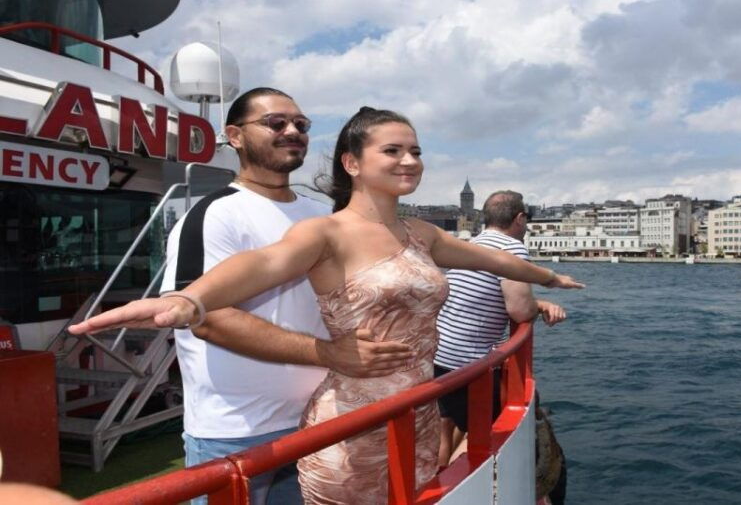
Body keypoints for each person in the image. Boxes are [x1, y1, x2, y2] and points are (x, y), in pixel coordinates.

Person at [69, 107, 584, 505]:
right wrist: (190, 298)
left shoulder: (421, 233)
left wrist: (547, 277)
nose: (410, 161)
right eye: (394, 151)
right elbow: (264, 265)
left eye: (416, 150)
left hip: (418, 413)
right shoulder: (324, 232)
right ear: (353, 163)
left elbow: (491, 258)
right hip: (353, 426)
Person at [159, 89, 415, 505]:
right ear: (235, 136)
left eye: (301, 124)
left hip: (322, 417)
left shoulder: (324, 215)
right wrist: (329, 354)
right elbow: (205, 316)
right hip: (237, 430)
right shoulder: (212, 214)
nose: (292, 131)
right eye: (275, 123)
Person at [433, 190, 568, 502]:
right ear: (519, 219)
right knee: (546, 460)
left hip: (442, 363)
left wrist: (539, 300)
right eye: (526, 221)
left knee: (451, 427)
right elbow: (520, 311)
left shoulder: (471, 245)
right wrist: (540, 305)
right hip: (471, 372)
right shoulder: (513, 249)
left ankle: (443, 474)